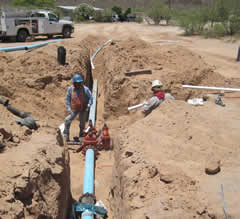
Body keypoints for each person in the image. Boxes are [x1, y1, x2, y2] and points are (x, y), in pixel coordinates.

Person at [63, 73, 93, 141]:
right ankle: (66, 136)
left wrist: (88, 105)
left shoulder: (85, 89)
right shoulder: (70, 89)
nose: (79, 84)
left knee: (82, 124)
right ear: (74, 83)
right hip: (74, 109)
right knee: (67, 120)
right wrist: (69, 109)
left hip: (83, 108)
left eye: (80, 82)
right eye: (77, 83)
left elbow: (91, 97)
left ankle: (81, 137)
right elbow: (67, 100)